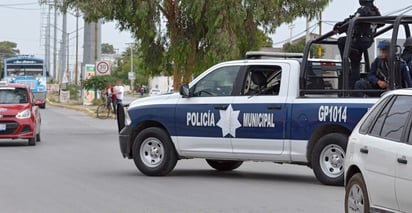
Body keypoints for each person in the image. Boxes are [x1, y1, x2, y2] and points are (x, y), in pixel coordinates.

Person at [334, 0, 381, 89]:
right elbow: (381, 23)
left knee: (341, 41)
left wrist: (340, 28)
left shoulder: (364, 10)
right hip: (367, 41)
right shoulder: (375, 11)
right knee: (355, 63)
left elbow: (353, 20)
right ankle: (354, 88)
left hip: (360, 41)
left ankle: (345, 64)